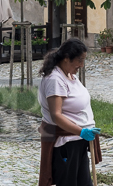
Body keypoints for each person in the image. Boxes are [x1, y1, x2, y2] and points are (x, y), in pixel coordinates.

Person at [37, 38, 100, 186]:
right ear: (66, 58)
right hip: (66, 144)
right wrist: (81, 131)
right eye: (79, 60)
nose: (82, 65)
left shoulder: (70, 75)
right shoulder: (55, 79)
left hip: (78, 141)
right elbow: (56, 115)